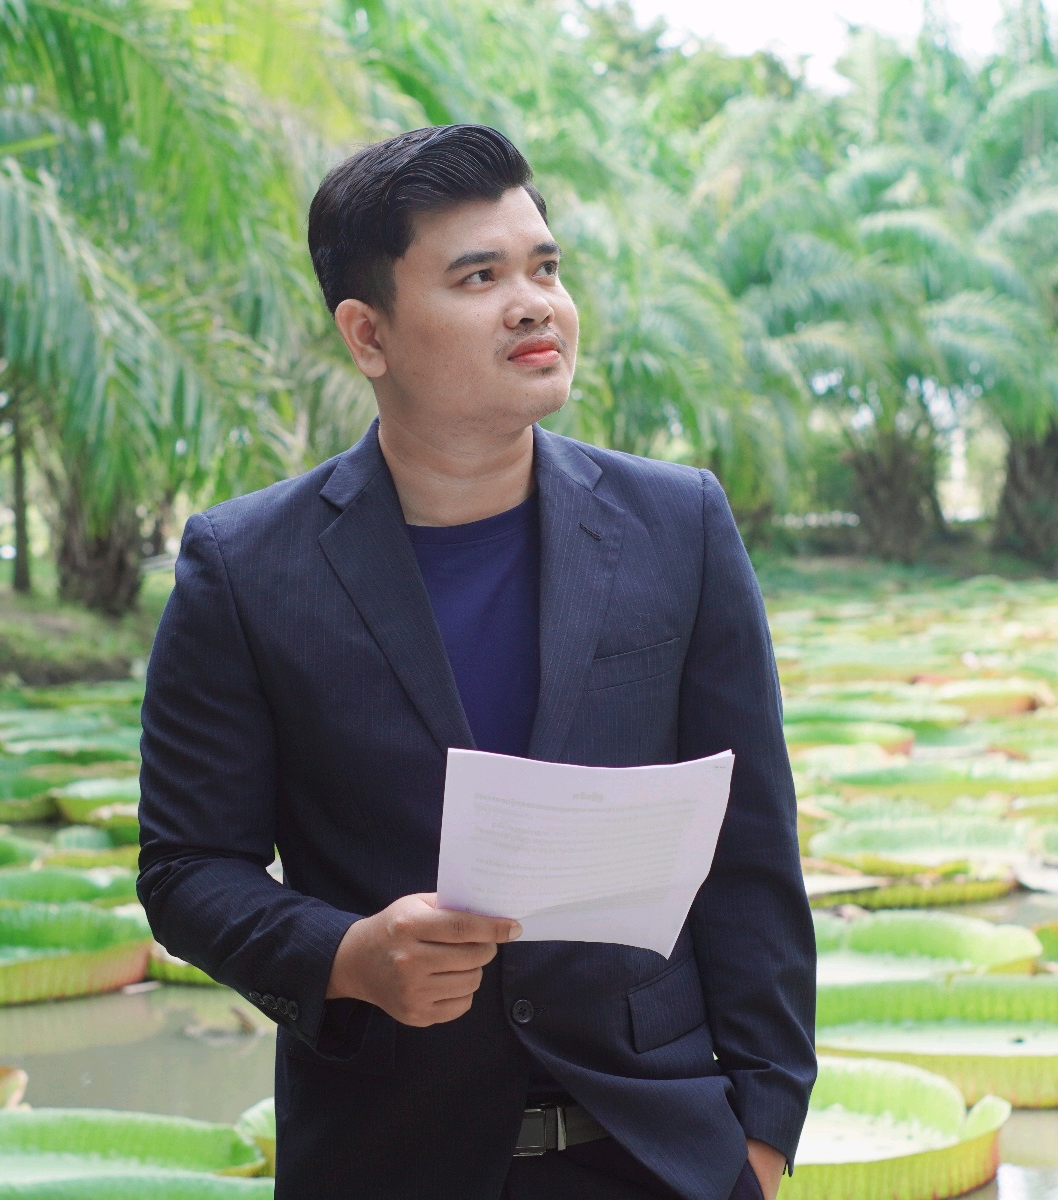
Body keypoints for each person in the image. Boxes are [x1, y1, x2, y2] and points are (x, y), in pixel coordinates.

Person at [137, 123, 815, 1200]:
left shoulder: (678, 525)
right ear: (369, 334)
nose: (535, 303)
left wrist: (764, 1139)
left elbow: (753, 851)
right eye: (479, 277)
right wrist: (348, 956)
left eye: (544, 267)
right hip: (386, 1158)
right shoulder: (246, 567)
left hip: (661, 1155)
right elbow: (186, 868)